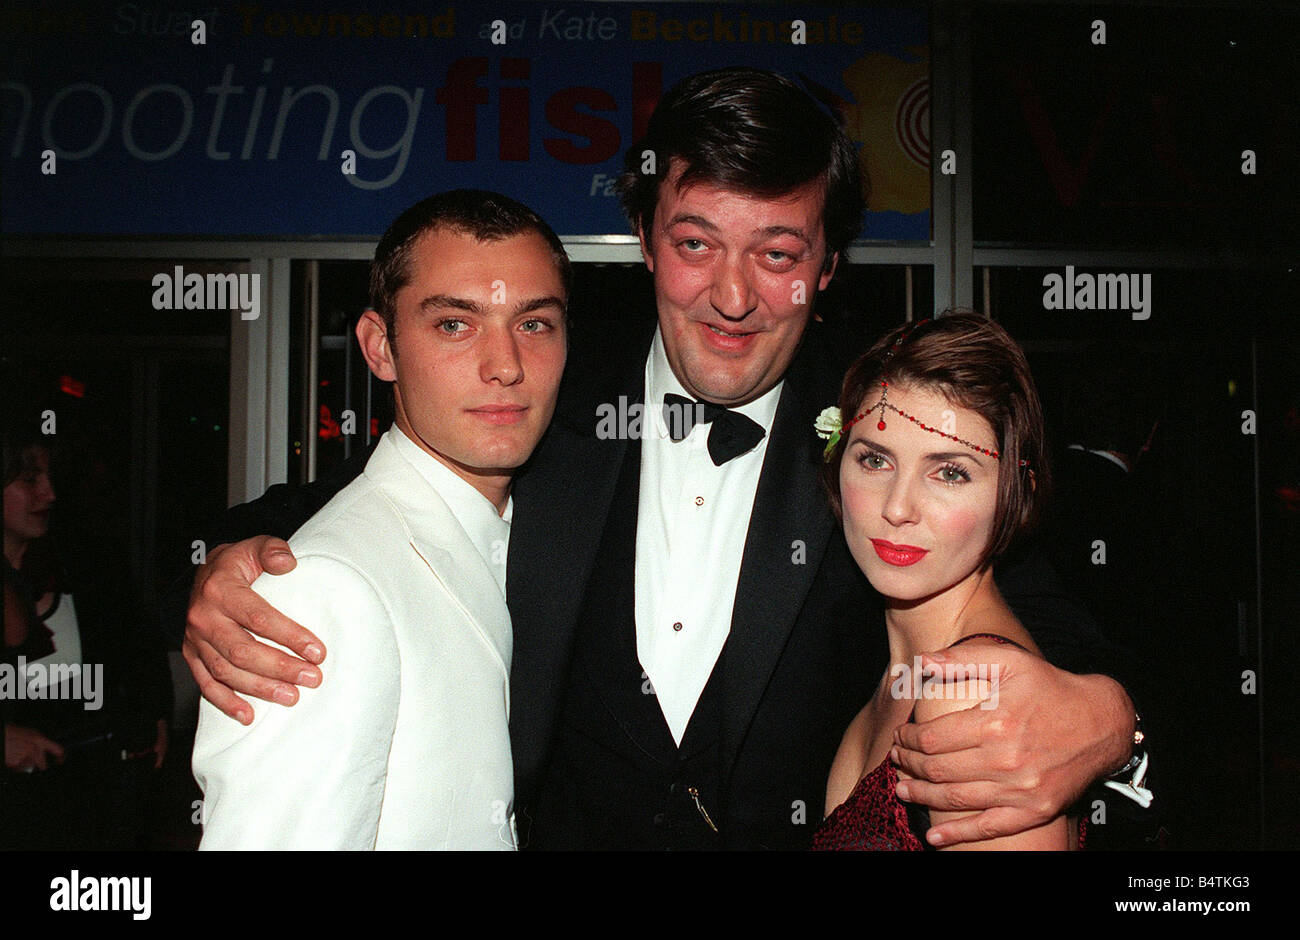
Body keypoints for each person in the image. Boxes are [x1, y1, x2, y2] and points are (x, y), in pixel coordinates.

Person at [179, 68, 1144, 850]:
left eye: (776, 253)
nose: (731, 296)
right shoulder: (547, 383)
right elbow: (377, 487)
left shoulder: (873, 424)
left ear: (829, 265)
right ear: (645, 241)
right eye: (695, 243)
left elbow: (1021, 581)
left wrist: (1110, 719)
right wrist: (240, 558)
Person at [191, 190, 569, 849]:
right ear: (379, 348)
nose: (505, 365)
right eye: (455, 324)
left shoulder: (555, 522)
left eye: (534, 323)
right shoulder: (321, 588)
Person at [812, 314, 1078, 850]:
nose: (898, 507)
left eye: (950, 471)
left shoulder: (973, 699)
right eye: (875, 459)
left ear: (1016, 493)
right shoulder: (901, 676)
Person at [3, 418, 172, 850]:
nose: (49, 494)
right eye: (29, 480)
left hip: (81, 806)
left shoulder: (85, 562)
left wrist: (150, 714)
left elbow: (139, 646)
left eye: (49, 477)